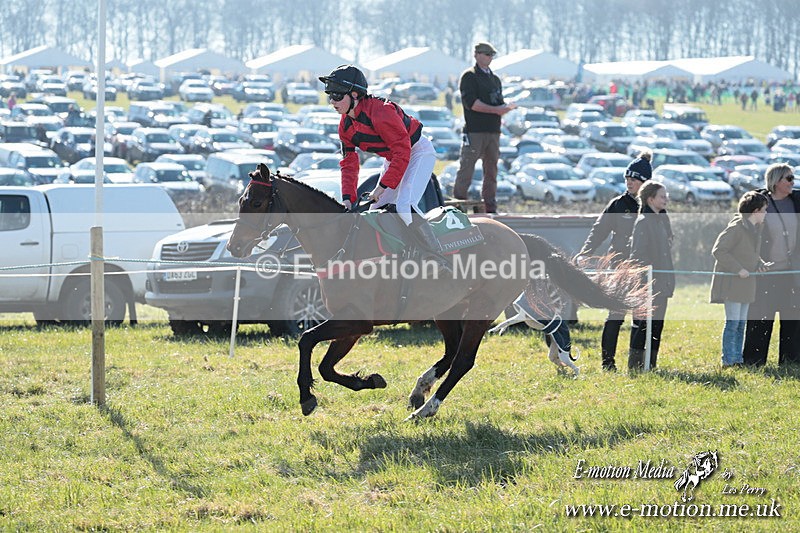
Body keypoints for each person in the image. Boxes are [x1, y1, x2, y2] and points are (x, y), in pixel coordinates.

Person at [318, 64, 450, 271]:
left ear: (355, 94)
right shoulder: (345, 126)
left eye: (336, 96)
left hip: (418, 152)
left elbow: (403, 152)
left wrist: (381, 188)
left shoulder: (381, 113)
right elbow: (349, 164)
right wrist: (348, 198)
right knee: (375, 212)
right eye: (329, 96)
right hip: (394, 157)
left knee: (405, 206)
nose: (332, 102)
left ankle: (437, 257)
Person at [575, 151, 651, 371]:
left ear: (645, 183)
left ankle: (639, 364)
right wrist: (585, 252)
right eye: (627, 179)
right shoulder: (618, 204)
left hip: (643, 267)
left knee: (641, 317)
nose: (629, 183)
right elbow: (599, 231)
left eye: (634, 180)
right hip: (619, 266)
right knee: (615, 315)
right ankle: (607, 362)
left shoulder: (651, 206)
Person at [743, 163, 800, 366]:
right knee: (760, 318)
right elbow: (745, 234)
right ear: (776, 181)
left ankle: (791, 361)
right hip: (765, 272)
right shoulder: (758, 203)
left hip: (791, 272)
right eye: (789, 178)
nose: (793, 182)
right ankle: (753, 361)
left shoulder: (797, 201)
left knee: (793, 318)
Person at [452, 42, 516, 214]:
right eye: (486, 54)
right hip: (475, 130)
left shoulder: (494, 79)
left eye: (491, 55)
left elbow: (497, 102)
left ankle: (490, 206)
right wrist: (497, 110)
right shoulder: (469, 76)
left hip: (493, 131)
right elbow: (472, 103)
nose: (489, 58)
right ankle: (459, 205)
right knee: (467, 167)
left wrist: (506, 108)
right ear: (477, 54)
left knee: (491, 169)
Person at [709, 192, 768, 367]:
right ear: (755, 211)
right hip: (732, 284)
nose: (766, 213)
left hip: (747, 284)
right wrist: (738, 269)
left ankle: (737, 359)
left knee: (741, 324)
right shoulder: (735, 228)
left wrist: (760, 264)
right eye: (764, 210)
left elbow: (750, 254)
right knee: (732, 323)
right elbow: (719, 251)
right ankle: (728, 360)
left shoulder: (756, 230)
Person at [628, 181, 674, 370]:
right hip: (646, 283)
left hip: (661, 282)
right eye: (662, 196)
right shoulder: (643, 222)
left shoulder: (661, 219)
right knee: (642, 325)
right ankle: (636, 366)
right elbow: (638, 254)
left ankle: (651, 364)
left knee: (657, 326)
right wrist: (646, 278)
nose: (666, 199)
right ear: (650, 199)